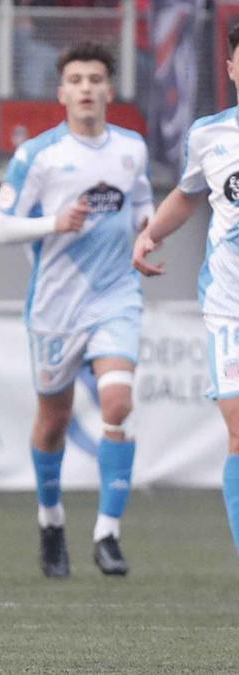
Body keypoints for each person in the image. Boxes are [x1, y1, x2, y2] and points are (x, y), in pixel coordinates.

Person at [0, 42, 152, 579]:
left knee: (118, 403)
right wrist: (52, 223)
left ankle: (107, 533)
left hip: (116, 296)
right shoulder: (37, 156)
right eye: (76, 78)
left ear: (109, 89)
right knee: (53, 420)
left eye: (96, 78)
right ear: (61, 92)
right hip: (56, 305)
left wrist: (148, 240)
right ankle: (51, 519)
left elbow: (144, 206)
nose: (86, 87)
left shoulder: (131, 149)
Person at [133, 22, 239, 564]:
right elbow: (187, 193)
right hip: (230, 310)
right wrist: (150, 233)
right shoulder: (210, 135)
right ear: (231, 67)